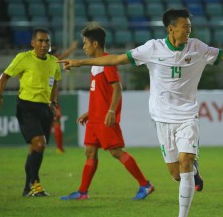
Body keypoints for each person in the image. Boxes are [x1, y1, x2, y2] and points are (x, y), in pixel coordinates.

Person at [58, 9, 223, 217]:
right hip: (162, 120)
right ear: (171, 29)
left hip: (187, 116)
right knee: (176, 173)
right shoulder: (152, 48)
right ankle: (193, 172)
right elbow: (117, 59)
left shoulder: (198, 48)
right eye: (184, 27)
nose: (188, 31)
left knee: (185, 163)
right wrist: (80, 62)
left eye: (190, 27)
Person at [60, 24, 154, 201]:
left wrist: (111, 111)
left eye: (85, 43)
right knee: (89, 152)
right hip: (95, 118)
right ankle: (82, 192)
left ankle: (145, 184)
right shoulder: (95, 66)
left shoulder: (108, 62)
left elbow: (117, 88)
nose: (83, 47)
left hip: (104, 118)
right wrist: (89, 113)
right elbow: (101, 93)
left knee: (116, 151)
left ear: (95, 44)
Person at [0, 28, 61, 197]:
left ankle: (26, 188)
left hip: (44, 108)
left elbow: (55, 83)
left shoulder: (53, 61)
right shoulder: (23, 58)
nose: (44, 45)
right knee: (39, 143)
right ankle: (34, 183)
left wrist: (53, 103)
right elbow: (5, 76)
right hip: (26, 106)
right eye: (40, 41)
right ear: (33, 43)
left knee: (35, 148)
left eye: (47, 42)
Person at [49, 41, 78, 154]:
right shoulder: (52, 61)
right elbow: (62, 57)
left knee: (49, 123)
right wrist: (72, 49)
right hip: (51, 98)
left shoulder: (42, 63)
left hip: (43, 97)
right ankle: (59, 148)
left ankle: (40, 146)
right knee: (56, 122)